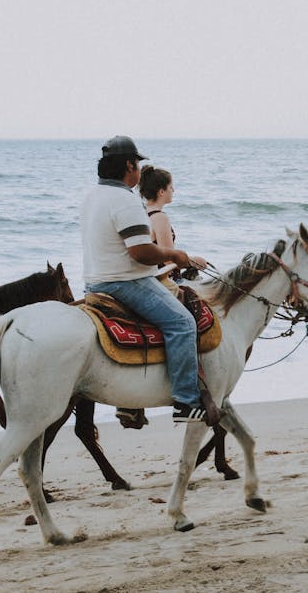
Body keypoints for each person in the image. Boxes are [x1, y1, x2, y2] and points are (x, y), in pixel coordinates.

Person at [81, 135, 208, 423]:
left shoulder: (91, 195)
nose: (138, 169)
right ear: (129, 165)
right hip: (125, 282)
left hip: (93, 282)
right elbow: (140, 252)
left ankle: (131, 400)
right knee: (182, 323)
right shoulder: (125, 199)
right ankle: (186, 402)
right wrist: (174, 255)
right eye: (137, 163)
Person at [114, 165, 211, 429]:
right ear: (161, 191)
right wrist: (196, 260)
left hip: (142, 277)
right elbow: (169, 256)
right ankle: (192, 387)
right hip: (162, 279)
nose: (174, 191)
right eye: (171, 187)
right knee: (192, 317)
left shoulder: (141, 213)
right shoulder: (160, 217)